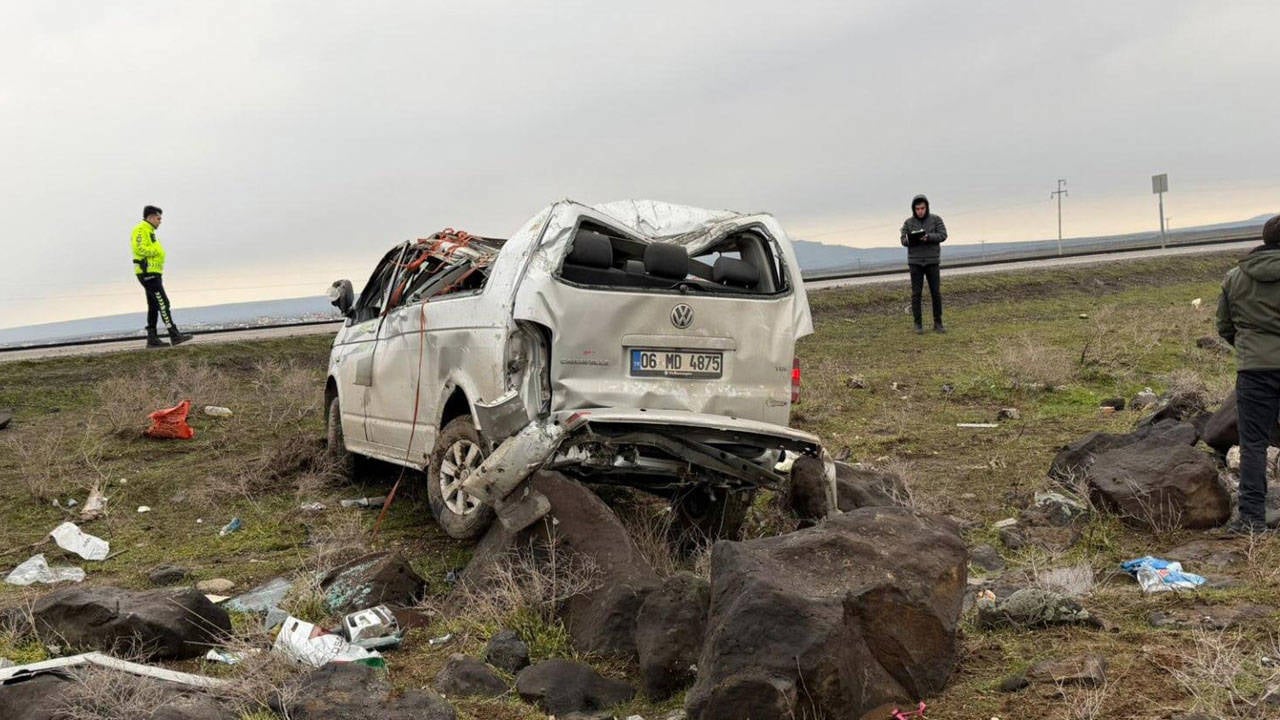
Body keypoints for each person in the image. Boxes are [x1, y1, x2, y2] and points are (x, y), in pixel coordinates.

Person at [1215, 213, 1280, 535]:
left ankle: (1252, 518)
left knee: (1253, 443)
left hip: (1255, 369)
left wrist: (1249, 349)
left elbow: (1225, 327)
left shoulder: (1234, 277)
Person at [131, 205, 192, 347]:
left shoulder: (149, 231)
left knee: (153, 306)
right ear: (151, 217)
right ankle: (174, 334)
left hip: (153, 273)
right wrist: (157, 252)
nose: (160, 221)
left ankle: (152, 339)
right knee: (163, 303)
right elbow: (139, 248)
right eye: (159, 218)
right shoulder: (141, 229)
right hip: (148, 273)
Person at [900, 194, 947, 333]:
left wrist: (929, 237)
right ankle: (918, 324)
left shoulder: (936, 219)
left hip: (932, 261)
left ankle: (938, 323)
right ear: (914, 209)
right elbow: (903, 240)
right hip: (915, 263)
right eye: (917, 208)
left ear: (927, 207)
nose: (920, 211)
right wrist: (911, 239)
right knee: (916, 294)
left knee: (935, 293)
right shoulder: (908, 223)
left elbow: (943, 235)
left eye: (922, 208)